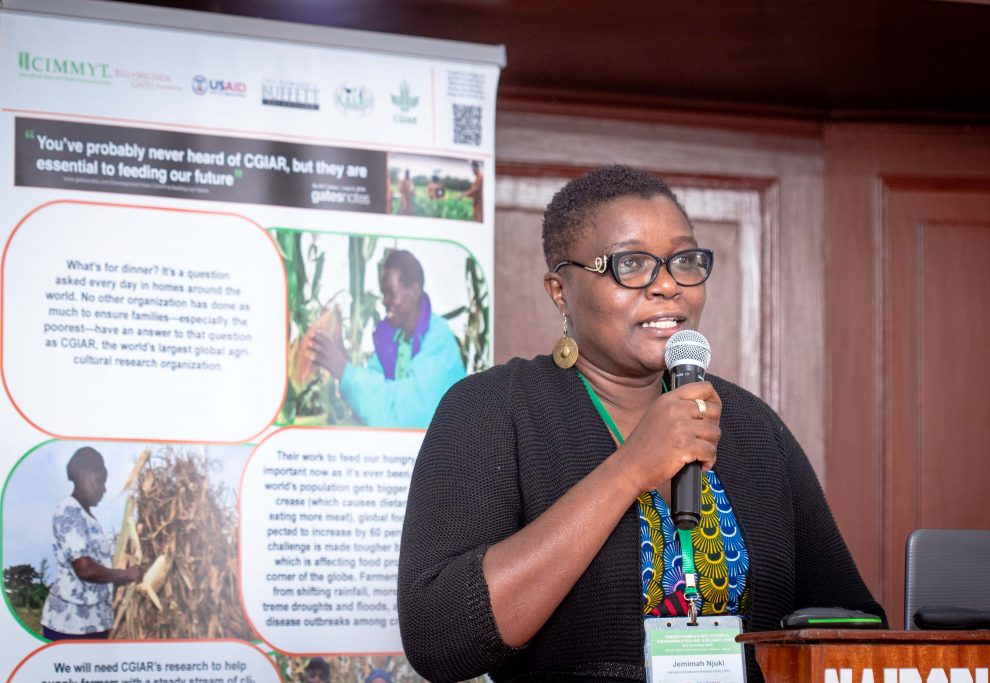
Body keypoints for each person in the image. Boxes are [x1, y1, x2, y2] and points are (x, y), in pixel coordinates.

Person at [397, 165, 884, 682]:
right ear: (560, 290)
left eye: (684, 260)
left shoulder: (753, 427)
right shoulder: (493, 410)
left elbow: (854, 624)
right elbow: (439, 639)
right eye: (631, 264)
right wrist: (631, 468)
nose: (669, 285)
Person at [310, 249, 466, 428]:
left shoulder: (438, 339)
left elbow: (402, 414)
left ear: (414, 291)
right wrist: (339, 353)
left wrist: (343, 370)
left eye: (390, 293)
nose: (384, 301)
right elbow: (370, 399)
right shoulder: (393, 340)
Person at [40, 446, 144, 640]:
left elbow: (97, 562)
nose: (103, 488)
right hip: (71, 627)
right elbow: (85, 568)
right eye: (99, 481)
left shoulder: (88, 518)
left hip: (94, 623)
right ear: (83, 475)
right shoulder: (69, 510)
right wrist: (126, 574)